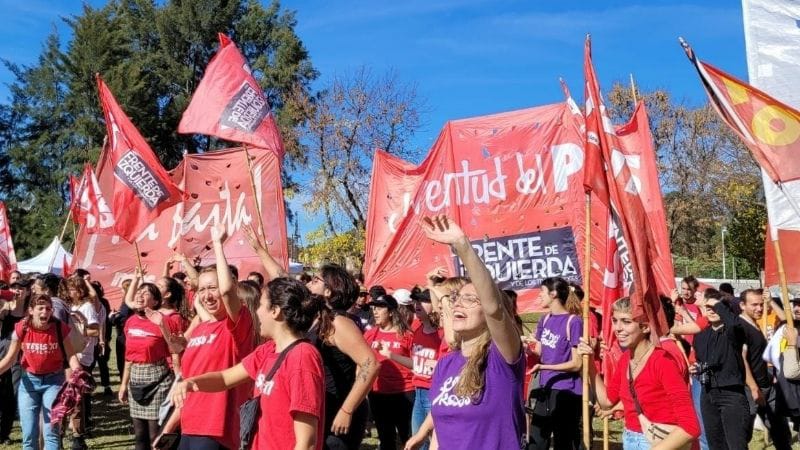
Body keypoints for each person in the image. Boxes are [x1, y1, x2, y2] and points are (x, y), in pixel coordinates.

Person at [172, 277, 325, 450]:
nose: (256, 311)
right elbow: (224, 378)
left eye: (260, 305)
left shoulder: (302, 357)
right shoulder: (268, 350)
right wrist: (191, 383)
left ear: (275, 311)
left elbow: (307, 443)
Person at [423, 215, 524, 450]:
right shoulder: (445, 365)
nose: (458, 304)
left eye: (471, 299)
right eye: (458, 298)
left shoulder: (503, 359)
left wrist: (462, 245)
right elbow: (441, 428)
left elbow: (494, 307)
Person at [162, 223, 255, 450]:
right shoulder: (202, 328)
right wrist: (170, 426)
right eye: (202, 290)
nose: (207, 295)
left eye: (211, 288)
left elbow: (226, 291)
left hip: (218, 428)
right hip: (190, 424)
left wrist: (217, 244)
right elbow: (189, 382)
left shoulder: (237, 325)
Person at [577, 297, 699, 449]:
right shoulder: (626, 358)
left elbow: (690, 426)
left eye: (626, 322)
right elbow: (607, 401)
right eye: (615, 320)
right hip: (630, 437)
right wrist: (589, 365)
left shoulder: (662, 361)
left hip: (660, 441)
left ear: (646, 327)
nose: (618, 328)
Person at [306, 264, 380, 450]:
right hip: (324, 408)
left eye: (315, 281)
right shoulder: (319, 318)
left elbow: (370, 365)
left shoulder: (339, 323)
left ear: (328, 291)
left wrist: (347, 410)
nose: (309, 284)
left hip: (339, 413)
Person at [0, 294, 83, 450]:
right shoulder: (22, 328)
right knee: (29, 435)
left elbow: (71, 355)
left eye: (48, 308)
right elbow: (10, 359)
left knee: (51, 433)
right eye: (41, 308)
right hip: (29, 383)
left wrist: (78, 372)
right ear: (31, 310)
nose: (45, 311)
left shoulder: (59, 327)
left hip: (53, 383)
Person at [119, 275, 181, 450]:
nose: (140, 295)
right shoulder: (130, 322)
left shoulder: (165, 321)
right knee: (139, 436)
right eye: (139, 291)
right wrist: (123, 384)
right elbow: (129, 357)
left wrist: (178, 381)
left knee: (156, 435)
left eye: (146, 293)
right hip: (136, 378)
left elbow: (175, 351)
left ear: (155, 301)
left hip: (158, 379)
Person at [527, 277, 583, 450]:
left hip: (566, 390)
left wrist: (544, 367)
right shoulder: (544, 320)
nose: (539, 296)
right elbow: (540, 353)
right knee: (537, 439)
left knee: (564, 440)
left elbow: (576, 363)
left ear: (553, 294)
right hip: (545, 386)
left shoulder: (573, 322)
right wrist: (526, 350)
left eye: (542, 292)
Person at [693, 289, 749, 450]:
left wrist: (717, 303)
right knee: (715, 443)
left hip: (731, 394)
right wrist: (696, 368)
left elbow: (733, 325)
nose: (712, 310)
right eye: (708, 308)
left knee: (736, 444)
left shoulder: (734, 330)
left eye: (716, 307)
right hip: (708, 393)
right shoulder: (702, 335)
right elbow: (700, 359)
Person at [737, 289, 792, 449]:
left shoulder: (755, 323)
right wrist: (754, 388)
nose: (759, 308)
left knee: (780, 431)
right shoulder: (741, 327)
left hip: (767, 385)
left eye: (761, 304)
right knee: (742, 434)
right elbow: (742, 359)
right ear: (742, 305)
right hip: (751, 390)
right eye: (754, 305)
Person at [364, 294, 415, 450]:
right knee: (386, 439)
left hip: (404, 393)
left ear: (392, 311)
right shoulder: (370, 335)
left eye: (380, 307)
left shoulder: (407, 335)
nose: (375, 311)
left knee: (408, 438)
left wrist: (391, 354)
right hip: (378, 393)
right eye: (374, 308)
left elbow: (416, 364)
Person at [65, 276, 100, 450]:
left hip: (82, 356)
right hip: (70, 356)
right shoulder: (71, 307)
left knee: (76, 396)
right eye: (70, 288)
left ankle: (78, 434)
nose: (72, 292)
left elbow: (95, 330)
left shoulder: (87, 307)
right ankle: (71, 429)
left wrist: (79, 331)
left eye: (75, 289)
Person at [406, 288, 442, 450]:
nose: (417, 304)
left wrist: (437, 365)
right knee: (418, 439)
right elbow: (415, 363)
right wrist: (390, 355)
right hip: (418, 391)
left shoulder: (442, 334)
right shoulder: (417, 330)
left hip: (435, 392)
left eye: (423, 301)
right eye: (416, 301)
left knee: (437, 441)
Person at [0, 279, 29, 444]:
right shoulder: (5, 308)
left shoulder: (29, 312)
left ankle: (4, 433)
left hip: (18, 358)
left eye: (21, 288)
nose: (17, 291)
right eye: (14, 288)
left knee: (12, 394)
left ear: (27, 292)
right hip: (2, 355)